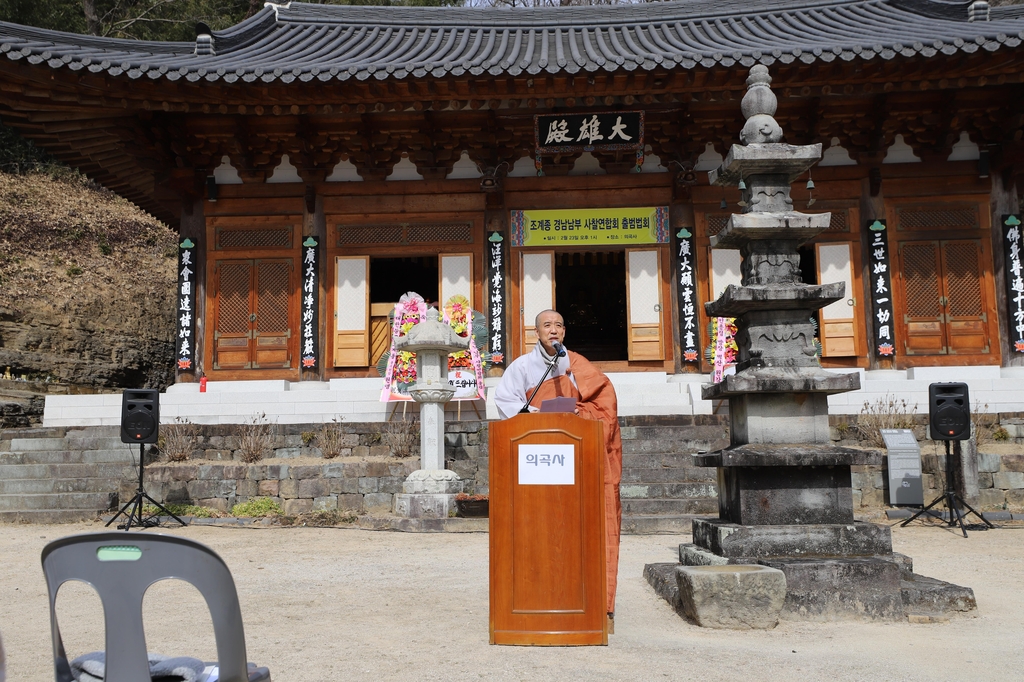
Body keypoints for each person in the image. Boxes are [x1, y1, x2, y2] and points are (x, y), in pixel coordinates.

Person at [493, 309, 623, 627]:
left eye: (559, 326)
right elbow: (506, 402)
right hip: (536, 454)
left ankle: (596, 606)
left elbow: (604, 405)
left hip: (578, 457)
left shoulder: (576, 364)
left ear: (564, 332)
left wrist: (577, 415)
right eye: (547, 325)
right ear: (536, 332)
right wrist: (539, 413)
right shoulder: (522, 367)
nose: (554, 330)